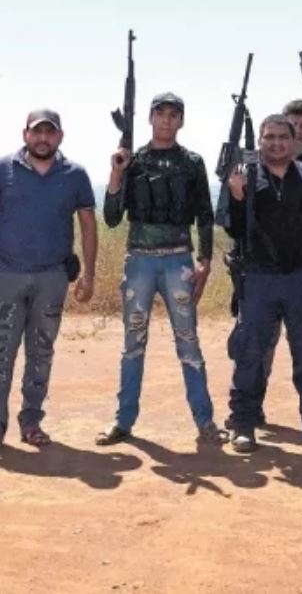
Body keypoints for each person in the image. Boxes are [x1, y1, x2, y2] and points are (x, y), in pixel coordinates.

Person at [95, 93, 226, 446]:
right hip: (139, 260)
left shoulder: (191, 162)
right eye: (160, 114)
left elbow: (204, 213)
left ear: (181, 121)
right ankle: (123, 421)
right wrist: (116, 171)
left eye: (173, 115)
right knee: (132, 343)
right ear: (150, 119)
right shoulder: (132, 161)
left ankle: (205, 421)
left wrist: (206, 260)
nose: (166, 121)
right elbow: (110, 217)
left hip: (178, 260)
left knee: (188, 343)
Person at [0, 108, 96, 454]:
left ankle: (31, 422)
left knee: (41, 353)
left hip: (52, 277)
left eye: (49, 132)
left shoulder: (75, 175)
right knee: (0, 355)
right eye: (37, 132)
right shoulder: (2, 169)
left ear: (60, 136)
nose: (43, 138)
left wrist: (89, 273)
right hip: (5, 276)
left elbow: (88, 225)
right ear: (25, 133)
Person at [224, 114, 302, 453]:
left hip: (300, 277)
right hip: (258, 278)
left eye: (282, 137)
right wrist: (235, 197)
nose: (276, 143)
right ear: (260, 142)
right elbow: (233, 230)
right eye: (269, 137)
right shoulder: (244, 178)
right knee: (250, 353)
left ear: (294, 143)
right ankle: (243, 423)